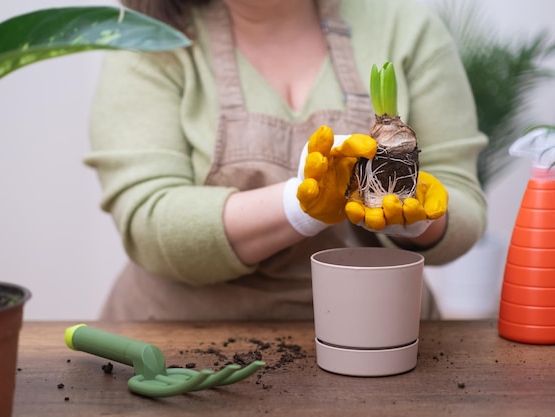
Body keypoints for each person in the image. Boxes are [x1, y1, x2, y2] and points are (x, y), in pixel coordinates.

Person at [85, 0, 488, 321]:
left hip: (384, 337)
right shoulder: (148, 42)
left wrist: (419, 218)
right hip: (176, 349)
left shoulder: (405, 26)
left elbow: (462, 196)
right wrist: (300, 204)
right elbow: (148, 218)